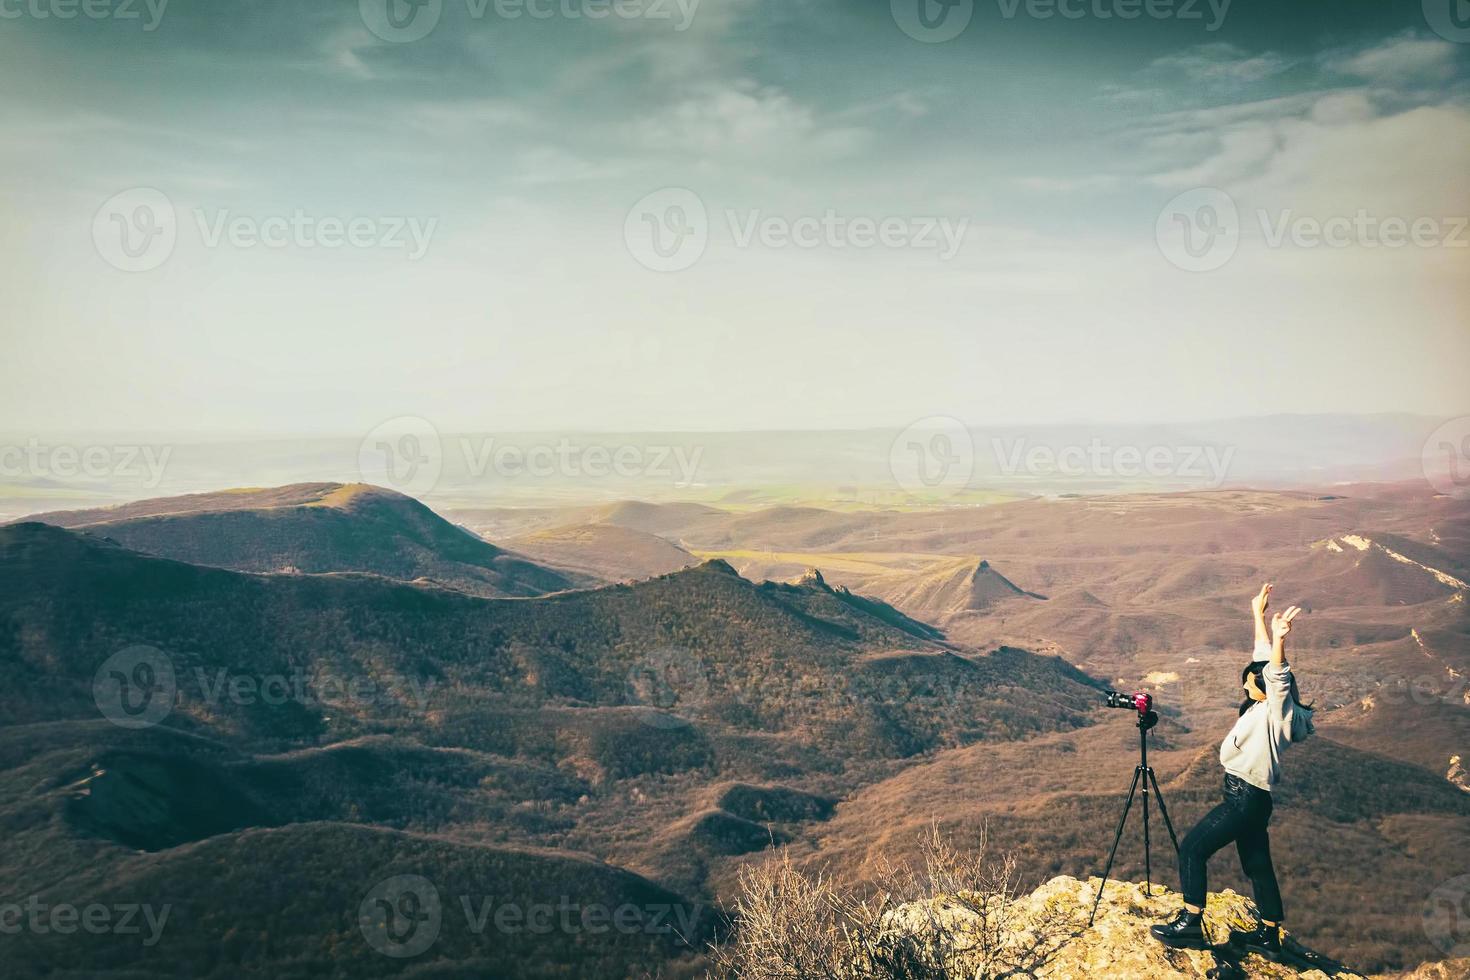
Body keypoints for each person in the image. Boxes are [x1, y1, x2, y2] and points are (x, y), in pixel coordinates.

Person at [1150, 583, 1314, 958]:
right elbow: (1262, 662)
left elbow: (1276, 675)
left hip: (1244, 798)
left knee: (1192, 849)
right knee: (1257, 864)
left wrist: (1281, 640)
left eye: (1249, 681)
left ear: (1266, 688)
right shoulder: (1266, 705)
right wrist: (1257, 614)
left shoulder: (1278, 712)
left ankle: (1190, 924)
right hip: (1253, 799)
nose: (1244, 682)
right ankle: (1269, 934)